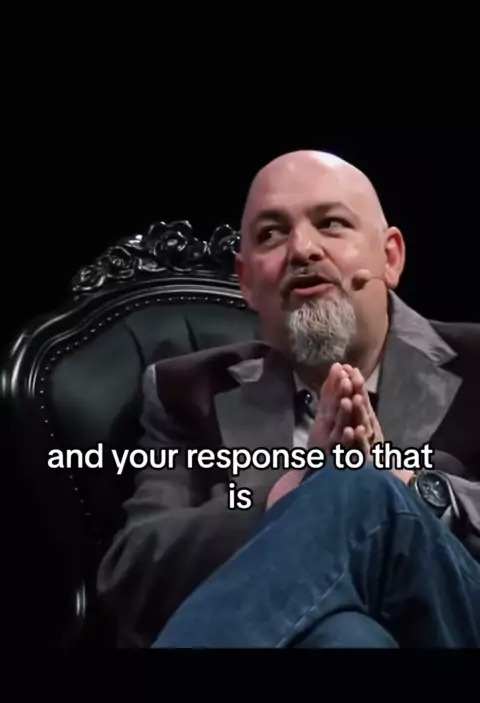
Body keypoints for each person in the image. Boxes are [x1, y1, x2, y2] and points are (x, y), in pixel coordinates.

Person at [97, 150, 480, 648]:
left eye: (331, 224)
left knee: (357, 485)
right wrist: (290, 491)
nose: (301, 249)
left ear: (390, 257)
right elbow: (134, 569)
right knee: (346, 637)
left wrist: (410, 488)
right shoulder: (184, 392)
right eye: (271, 234)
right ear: (246, 281)